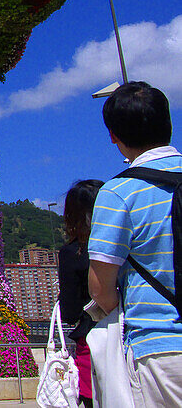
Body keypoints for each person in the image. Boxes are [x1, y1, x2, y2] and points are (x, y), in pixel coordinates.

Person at [88, 81, 182, 406]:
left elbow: (100, 286)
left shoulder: (118, 193)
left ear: (114, 136)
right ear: (168, 123)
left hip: (160, 347)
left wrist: (118, 312)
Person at [59, 179, 102, 408]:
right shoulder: (125, 245)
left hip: (92, 338)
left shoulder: (72, 253)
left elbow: (70, 311)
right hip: (131, 335)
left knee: (93, 398)